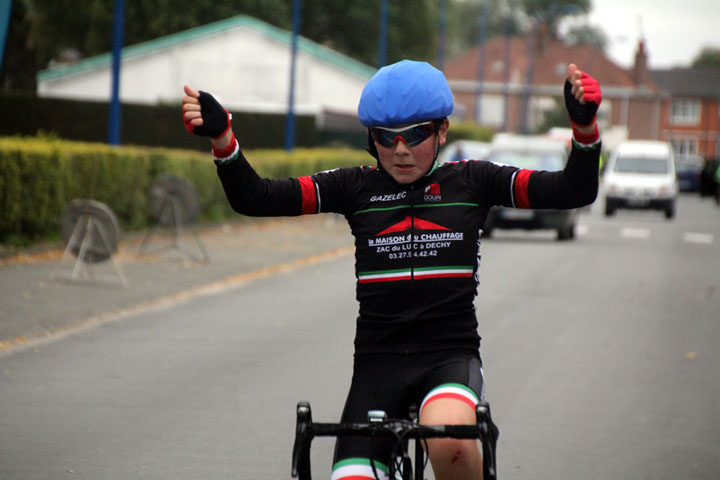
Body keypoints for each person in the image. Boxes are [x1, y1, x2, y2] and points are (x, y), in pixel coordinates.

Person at [182, 59, 602, 480]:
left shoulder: (474, 181)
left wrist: (583, 130)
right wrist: (223, 138)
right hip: (377, 366)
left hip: (448, 357)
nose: (400, 150)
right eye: (386, 137)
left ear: (442, 130)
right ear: (371, 138)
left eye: (416, 135)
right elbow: (256, 197)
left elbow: (573, 189)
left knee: (452, 442)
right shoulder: (354, 186)